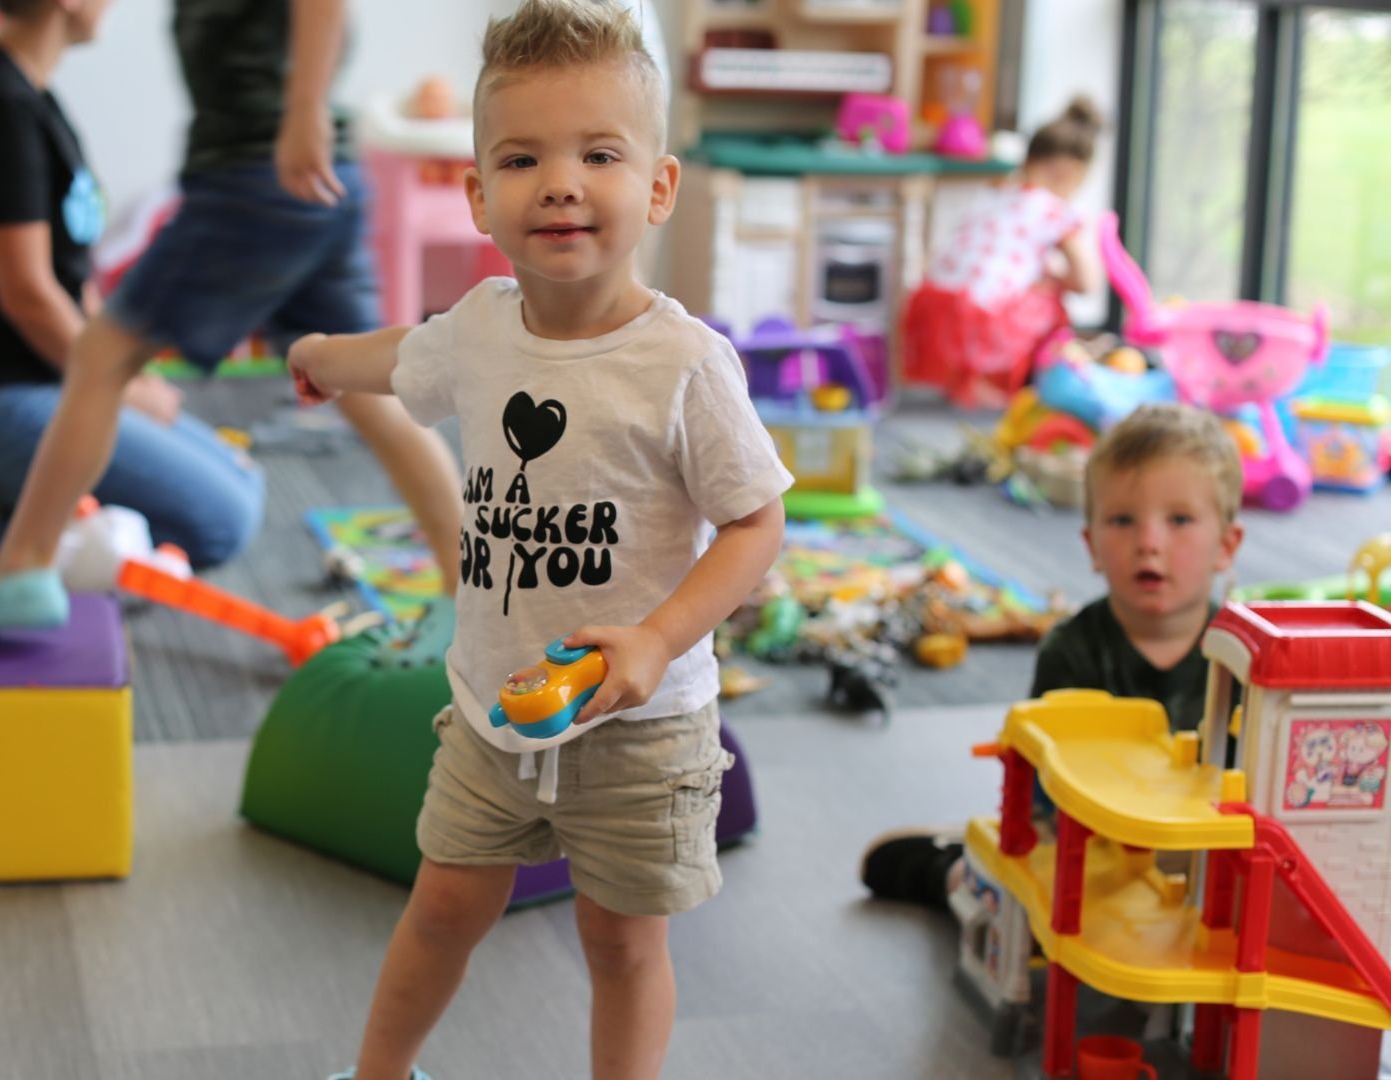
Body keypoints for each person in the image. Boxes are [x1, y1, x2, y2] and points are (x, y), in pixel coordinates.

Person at [286, 3, 793, 1077]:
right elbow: (408, 357)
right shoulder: (478, 329)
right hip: (491, 704)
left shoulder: (687, 366)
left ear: (657, 186)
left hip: (643, 724)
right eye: (522, 159)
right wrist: (326, 356)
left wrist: (657, 638)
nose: (560, 182)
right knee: (440, 912)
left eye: (599, 154)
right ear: (480, 196)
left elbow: (756, 523)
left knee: (620, 942)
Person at [0, 0, 466, 637]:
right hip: (311, 175)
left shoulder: (9, 103)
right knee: (375, 397)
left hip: (258, 174)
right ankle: (468, 593)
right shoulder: (3, 102)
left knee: (101, 356)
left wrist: (303, 108)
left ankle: (21, 566)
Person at [0, 0, 265, 571]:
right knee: (220, 524)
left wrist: (128, 373)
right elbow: (30, 297)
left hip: (39, 381)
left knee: (244, 478)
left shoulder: (28, 96)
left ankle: (16, 503)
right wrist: (120, 390)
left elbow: (71, 279)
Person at [862, 402, 1245, 909]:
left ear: (1226, 545)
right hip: (1088, 852)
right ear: (1090, 545)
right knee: (1012, 901)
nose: (1149, 543)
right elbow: (1049, 792)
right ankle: (950, 866)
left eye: (1179, 520)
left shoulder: (1245, 661)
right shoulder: (1072, 649)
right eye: (1123, 520)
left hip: (1200, 859)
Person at [902, 95, 1107, 409]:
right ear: (1071, 173)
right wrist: (1055, 278)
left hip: (931, 303)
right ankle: (1008, 383)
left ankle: (963, 379)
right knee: (1049, 294)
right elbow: (1086, 283)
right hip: (981, 317)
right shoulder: (1053, 209)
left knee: (1021, 281)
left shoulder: (994, 192)